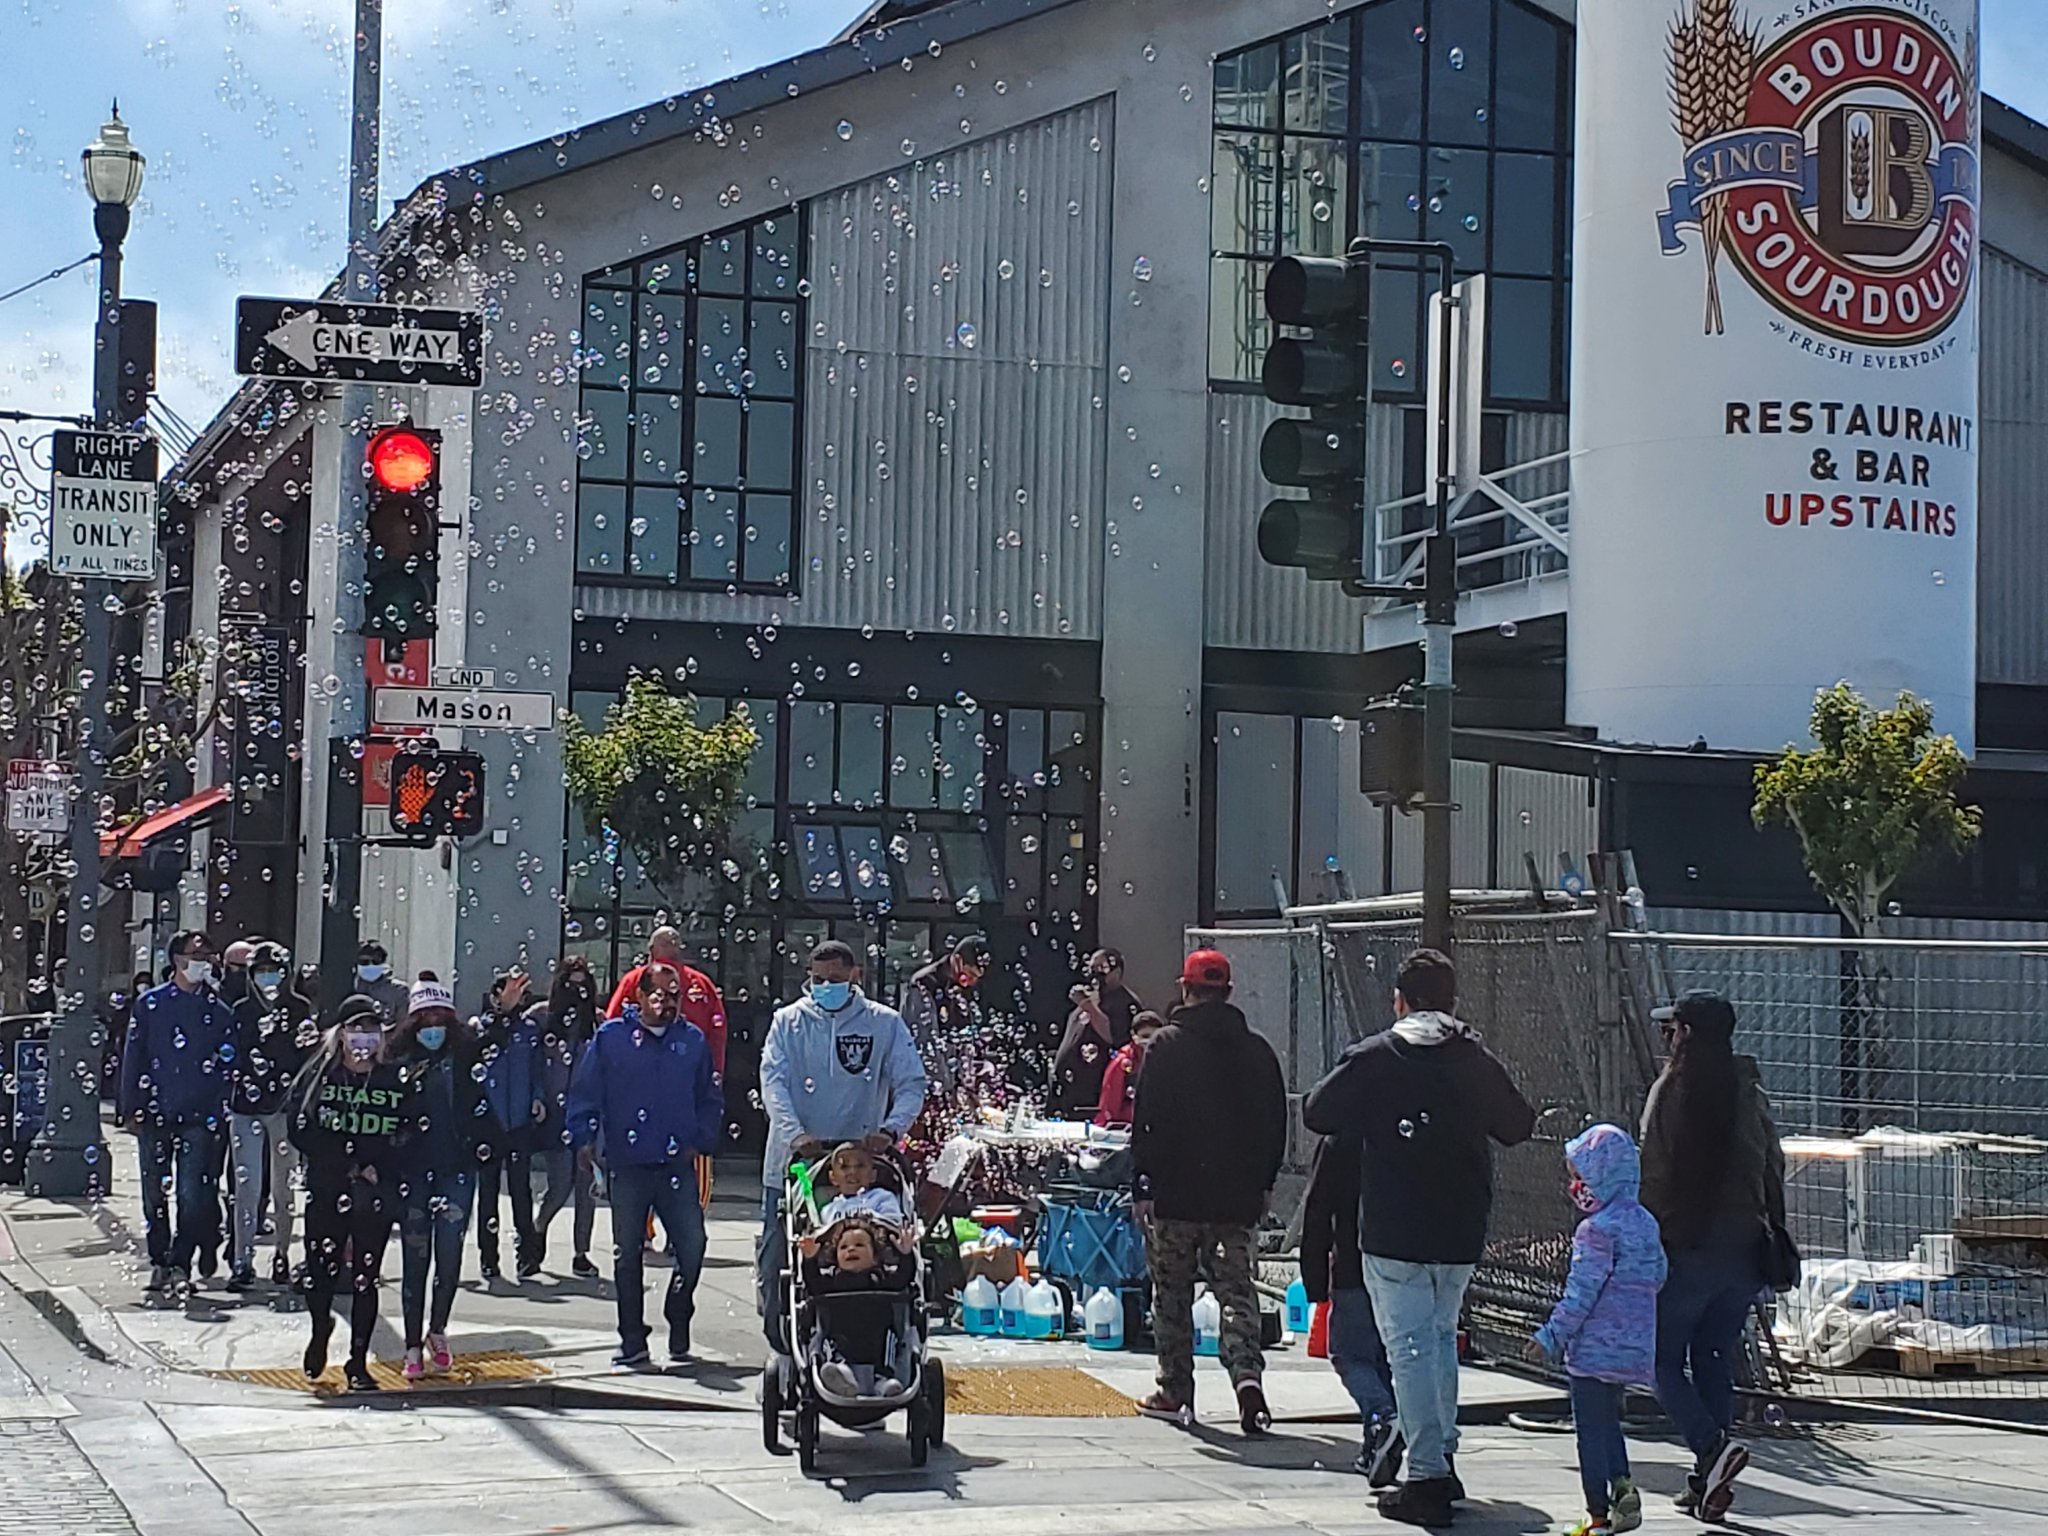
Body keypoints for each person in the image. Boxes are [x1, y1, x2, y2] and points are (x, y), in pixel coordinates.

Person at [1303, 947, 1536, 1529]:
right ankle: (1442, 1454)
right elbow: (1517, 1124)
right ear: (1453, 1001)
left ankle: (1427, 1473)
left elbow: (1317, 1111)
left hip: (1393, 1226)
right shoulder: (1473, 1057)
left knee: (1408, 1348)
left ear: (1399, 999)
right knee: (1437, 1340)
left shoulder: (1377, 1055)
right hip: (1459, 1226)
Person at [1640, 990, 1786, 1525]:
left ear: (1685, 1035)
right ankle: (1707, 1485)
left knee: (1659, 1362)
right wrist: (1772, 1226)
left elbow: (1652, 1175)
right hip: (1746, 1251)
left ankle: (1710, 1448)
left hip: (1688, 1248)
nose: (1666, 1039)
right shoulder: (1748, 1091)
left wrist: (1646, 1242)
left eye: (1670, 1030)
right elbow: (1774, 1165)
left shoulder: (1671, 1092)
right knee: (1714, 1359)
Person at [1130, 948, 1288, 1436]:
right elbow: (1275, 1123)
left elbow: (1147, 1122)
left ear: (1185, 989)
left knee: (1172, 1294)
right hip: (1236, 1199)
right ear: (1229, 992)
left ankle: (1175, 1389)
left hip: (1176, 1197)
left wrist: (1143, 1184)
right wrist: (1264, 1182)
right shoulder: (1257, 1051)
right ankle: (1246, 1379)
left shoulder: (1165, 1047)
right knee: (1236, 1291)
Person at [758, 940, 927, 1345]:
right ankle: (782, 1342)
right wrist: (795, 1134)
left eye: (835, 979)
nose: (825, 986)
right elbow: (773, 1083)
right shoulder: (788, 1022)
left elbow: (911, 1083)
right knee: (779, 1257)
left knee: (866, 1254)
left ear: (855, 976)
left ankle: (869, 1338)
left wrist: (890, 1131)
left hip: (863, 1165)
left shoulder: (883, 1023)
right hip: (798, 1163)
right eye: (818, 980)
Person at [565, 962, 725, 1368]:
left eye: (675, 995)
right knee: (627, 1253)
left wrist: (700, 1140)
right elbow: (585, 1092)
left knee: (693, 1245)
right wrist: (584, 1138)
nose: (667, 1002)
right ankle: (632, 1338)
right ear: (639, 996)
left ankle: (678, 1313)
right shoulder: (612, 1038)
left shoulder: (691, 1040)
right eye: (660, 994)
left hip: (676, 1162)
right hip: (628, 1162)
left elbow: (709, 1096)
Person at [1532, 1124, 1667, 1536]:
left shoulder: (1595, 1230)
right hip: (1633, 1348)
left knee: (1589, 1430)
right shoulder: (1646, 1222)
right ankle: (1623, 1486)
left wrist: (1550, 1336)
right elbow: (1660, 1273)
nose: (1575, 1186)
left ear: (1599, 1177)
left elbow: (1581, 1294)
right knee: (1609, 1422)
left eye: (1580, 1177)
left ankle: (1597, 1515)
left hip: (1593, 1349)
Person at [289, 995, 415, 1392]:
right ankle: (320, 1325)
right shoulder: (319, 1077)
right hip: (328, 1186)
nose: (364, 1039)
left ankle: (357, 1362)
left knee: (366, 1276)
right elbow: (301, 1128)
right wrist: (347, 1164)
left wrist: (381, 1164)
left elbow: (409, 1130)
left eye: (372, 1030)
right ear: (339, 1037)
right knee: (320, 1270)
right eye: (355, 1030)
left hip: (374, 1191)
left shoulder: (393, 1079)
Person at [118, 930, 238, 1298]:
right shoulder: (150, 1004)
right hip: (156, 1114)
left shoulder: (218, 1011)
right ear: (177, 959)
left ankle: (181, 1262)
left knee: (191, 1193)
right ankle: (159, 1259)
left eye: (208, 952)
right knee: (155, 1192)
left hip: (199, 1117)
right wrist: (130, 1107)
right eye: (195, 953)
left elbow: (227, 1066)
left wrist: (220, 1109)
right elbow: (133, 1056)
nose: (203, 960)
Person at [390, 979, 482, 1381]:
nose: (432, 1027)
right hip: (414, 1171)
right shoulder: (397, 1062)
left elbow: (497, 1035)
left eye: (439, 1019)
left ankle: (438, 1331)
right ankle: (412, 1342)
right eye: (424, 1019)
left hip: (456, 1168)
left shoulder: (465, 1057)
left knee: (449, 1256)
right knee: (415, 1259)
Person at [606, 928, 729, 1212]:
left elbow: (717, 1033)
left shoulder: (696, 985)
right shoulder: (638, 982)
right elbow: (611, 1032)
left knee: (684, 1155)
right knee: (659, 1157)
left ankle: (672, 1225)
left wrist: (714, 1076)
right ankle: (662, 1227)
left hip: (681, 1086)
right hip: (650, 1087)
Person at [1303, 1131, 1400, 1485]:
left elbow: (1318, 1210)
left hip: (1354, 1265)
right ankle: (1375, 1446)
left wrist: (1314, 1275)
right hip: (1404, 1262)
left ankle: (1382, 1417)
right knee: (1385, 1359)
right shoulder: (1407, 1129)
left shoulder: (1342, 1139)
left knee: (1348, 1354)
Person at [226, 941, 315, 1290]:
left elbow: (307, 1056)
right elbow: (232, 1056)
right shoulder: (242, 1010)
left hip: (284, 1108)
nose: (267, 977)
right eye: (260, 971)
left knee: (283, 1186)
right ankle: (242, 1260)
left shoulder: (299, 1008)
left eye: (274, 971)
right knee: (246, 1185)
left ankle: (281, 1253)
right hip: (245, 1108)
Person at [471, 969, 546, 1280]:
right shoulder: (481, 1028)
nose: (516, 997)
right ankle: (488, 1257)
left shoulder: (529, 1029)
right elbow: (477, 1060)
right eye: (508, 992)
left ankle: (526, 1255)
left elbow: (537, 1066)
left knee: (521, 1190)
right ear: (495, 996)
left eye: (519, 993)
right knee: (487, 1193)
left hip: (519, 1121)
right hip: (490, 1121)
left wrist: (538, 1097)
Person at [536, 956, 603, 1278]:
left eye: (583, 984)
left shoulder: (598, 1023)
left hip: (587, 1115)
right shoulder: (541, 1018)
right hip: (555, 1114)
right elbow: (528, 1062)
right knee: (560, 1185)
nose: (577, 991)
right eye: (570, 984)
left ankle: (581, 1253)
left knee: (586, 1188)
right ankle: (538, 1228)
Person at [799, 1217, 917, 1397]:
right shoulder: (832, 1280)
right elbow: (813, 1284)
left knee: (890, 1341)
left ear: (875, 1256)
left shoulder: (881, 1278)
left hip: (878, 1337)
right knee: (829, 1346)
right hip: (841, 1338)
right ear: (836, 1258)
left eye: (860, 1245)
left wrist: (906, 1254)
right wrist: (810, 1259)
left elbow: (903, 1279)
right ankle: (842, 1378)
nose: (851, 1249)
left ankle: (884, 1383)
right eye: (844, 1247)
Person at [1051, 948, 1144, 1117]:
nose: (1094, 975)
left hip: (1092, 1093)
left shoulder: (1124, 1002)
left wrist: (1086, 1004)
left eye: (1101, 969)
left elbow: (1112, 1037)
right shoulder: (1093, 997)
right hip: (1068, 1090)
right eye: (1091, 969)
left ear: (1117, 972)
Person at [1094, 1008, 1165, 1128]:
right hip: (1125, 1125)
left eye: (1154, 1036)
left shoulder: (1165, 1059)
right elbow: (1110, 1101)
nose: (1148, 1042)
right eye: (1145, 1036)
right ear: (1134, 1036)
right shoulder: (1122, 1061)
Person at [353, 940, 408, 1026]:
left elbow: (403, 1026)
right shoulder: (348, 988)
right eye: (364, 962)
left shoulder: (399, 990)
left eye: (376, 961)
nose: (370, 965)